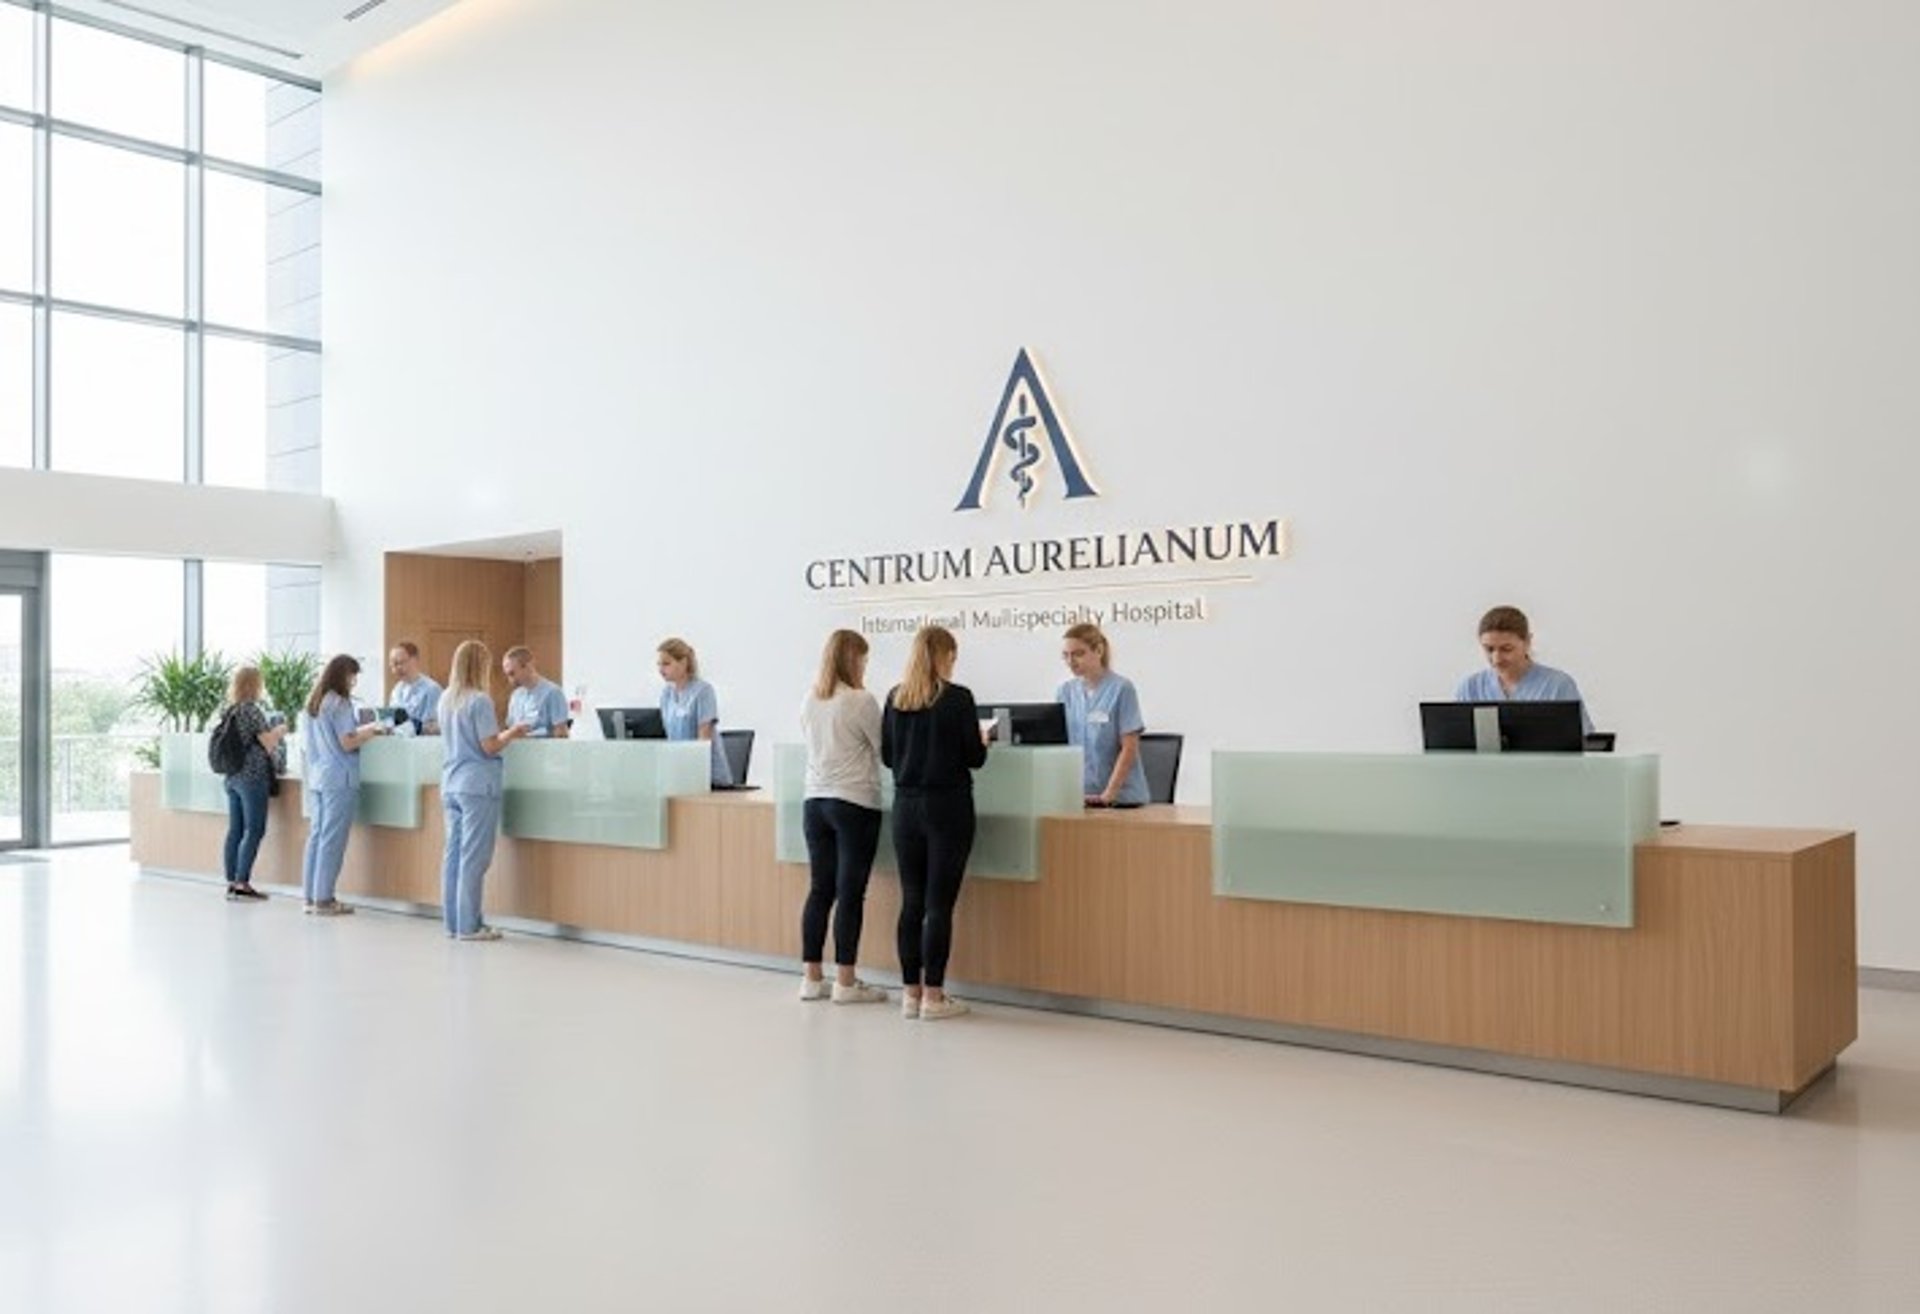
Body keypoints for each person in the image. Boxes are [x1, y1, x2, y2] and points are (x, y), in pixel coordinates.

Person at [882, 625, 987, 1021]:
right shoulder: (958, 698)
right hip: (948, 807)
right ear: (945, 656)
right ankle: (935, 997)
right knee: (939, 905)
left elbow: (890, 756)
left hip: (906, 808)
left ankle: (910, 995)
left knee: (911, 901)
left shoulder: (896, 697)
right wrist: (982, 741)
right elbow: (974, 757)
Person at [797, 629, 887, 1004]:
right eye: (863, 659)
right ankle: (846, 983)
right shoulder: (862, 700)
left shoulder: (810, 699)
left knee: (820, 889)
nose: (866, 666)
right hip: (853, 803)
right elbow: (886, 750)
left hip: (814, 802)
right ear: (853, 660)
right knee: (850, 893)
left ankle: (811, 979)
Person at [438, 640, 531, 941]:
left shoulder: (446, 699)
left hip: (451, 784)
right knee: (474, 857)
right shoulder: (479, 701)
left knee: (453, 856)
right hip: (477, 785)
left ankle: (454, 923)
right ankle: (470, 926)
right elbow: (489, 745)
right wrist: (513, 732)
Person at [300, 654, 386, 916]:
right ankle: (325, 898)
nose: (354, 682)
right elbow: (347, 741)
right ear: (343, 675)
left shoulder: (313, 704)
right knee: (332, 839)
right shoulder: (339, 703)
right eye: (353, 677)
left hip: (318, 777)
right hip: (339, 778)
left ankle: (311, 897)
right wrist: (373, 730)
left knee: (317, 836)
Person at [1454, 605, 1595, 733]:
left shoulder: (1557, 685)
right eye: (1489, 649)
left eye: (1506, 649)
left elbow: (1583, 741)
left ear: (1527, 642)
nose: (1496, 658)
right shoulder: (1470, 688)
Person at [1056, 623, 1150, 808]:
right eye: (1065, 656)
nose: (1071, 661)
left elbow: (1129, 748)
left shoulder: (1121, 688)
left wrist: (1109, 794)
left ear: (1098, 650)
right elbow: (1060, 746)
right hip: (1080, 797)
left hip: (1120, 798)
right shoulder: (1065, 692)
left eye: (1078, 654)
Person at [217, 665, 287, 902]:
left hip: (232, 777)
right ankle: (242, 882)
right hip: (252, 777)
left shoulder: (231, 710)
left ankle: (232, 881)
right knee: (254, 829)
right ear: (254, 685)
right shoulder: (252, 710)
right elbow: (267, 742)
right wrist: (280, 730)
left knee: (236, 829)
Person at [656, 637, 733, 787]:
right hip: (681, 776)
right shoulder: (667, 694)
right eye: (659, 664)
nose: (661, 670)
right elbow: (669, 739)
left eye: (666, 664)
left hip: (709, 779)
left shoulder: (703, 691)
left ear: (683, 662)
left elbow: (704, 739)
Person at [502, 646, 571, 738]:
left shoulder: (552, 693)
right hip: (519, 750)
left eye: (512, 673)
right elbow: (510, 728)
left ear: (528, 666)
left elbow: (561, 732)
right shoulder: (515, 696)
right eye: (507, 675)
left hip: (545, 750)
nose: (510, 679)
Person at [387, 640, 443, 734]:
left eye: (400, 663)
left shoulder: (432, 689)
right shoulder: (397, 690)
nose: (396, 669)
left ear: (414, 660)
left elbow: (436, 726)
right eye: (393, 664)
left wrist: (415, 727)